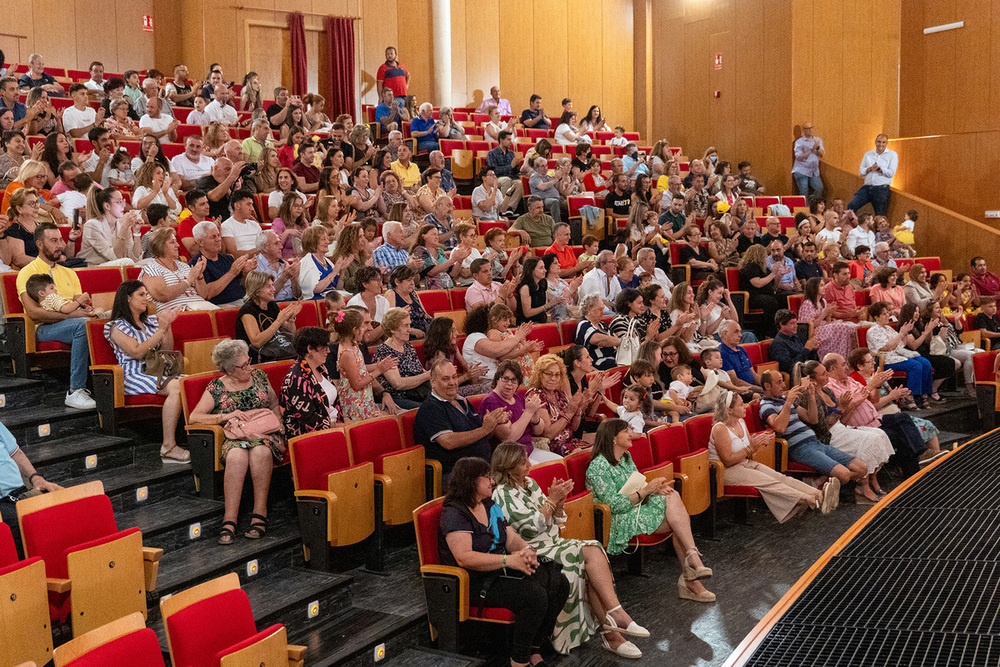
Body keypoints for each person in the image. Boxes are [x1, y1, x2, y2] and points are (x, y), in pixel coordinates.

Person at [492, 442, 646, 658]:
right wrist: (552, 501)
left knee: (592, 553)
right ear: (507, 467)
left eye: (527, 458)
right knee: (590, 552)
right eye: (522, 461)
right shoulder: (502, 493)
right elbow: (530, 526)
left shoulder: (530, 483)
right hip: (532, 551)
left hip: (552, 542)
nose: (529, 463)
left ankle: (613, 627)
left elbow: (554, 520)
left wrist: (560, 504)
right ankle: (614, 624)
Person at [439, 456, 570, 667]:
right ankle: (519, 660)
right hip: (473, 580)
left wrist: (526, 550)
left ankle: (535, 649)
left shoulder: (490, 504)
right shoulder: (455, 513)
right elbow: (464, 557)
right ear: (470, 481)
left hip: (499, 570)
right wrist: (509, 561)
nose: (492, 481)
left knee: (558, 581)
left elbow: (509, 537)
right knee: (534, 596)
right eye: (487, 477)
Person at [586, 418, 715, 600]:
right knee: (677, 520)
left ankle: (692, 566)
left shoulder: (625, 458)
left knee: (671, 495)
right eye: (626, 431)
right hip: (616, 518)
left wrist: (654, 488)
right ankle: (691, 572)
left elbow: (636, 483)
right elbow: (613, 505)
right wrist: (646, 490)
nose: (631, 433)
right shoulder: (597, 467)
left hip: (636, 506)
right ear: (613, 438)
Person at [188, 339, 284, 544]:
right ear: (229, 370)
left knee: (260, 452)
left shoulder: (259, 376)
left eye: (248, 361)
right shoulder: (217, 387)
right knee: (236, 456)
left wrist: (280, 426)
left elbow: (275, 404)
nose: (249, 367)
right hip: (236, 437)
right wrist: (225, 416)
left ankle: (260, 512)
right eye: (243, 366)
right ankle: (229, 519)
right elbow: (194, 417)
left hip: (264, 434)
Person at [104, 280, 188, 463]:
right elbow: (136, 351)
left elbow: (166, 349)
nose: (146, 298)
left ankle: (192, 438)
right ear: (127, 298)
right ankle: (168, 446)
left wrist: (168, 325)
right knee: (177, 388)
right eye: (141, 295)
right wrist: (162, 329)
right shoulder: (117, 326)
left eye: (146, 294)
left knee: (191, 383)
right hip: (132, 374)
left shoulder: (150, 321)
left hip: (155, 370)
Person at [710, 391, 828, 519]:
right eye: (741, 404)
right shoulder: (720, 428)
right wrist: (751, 447)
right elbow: (727, 460)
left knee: (781, 478)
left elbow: (748, 446)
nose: (745, 406)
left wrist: (760, 439)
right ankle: (811, 500)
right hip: (725, 471)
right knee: (770, 482)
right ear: (729, 410)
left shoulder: (741, 422)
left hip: (744, 463)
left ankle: (819, 494)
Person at [15, 223, 94, 408]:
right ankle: (75, 391)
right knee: (83, 325)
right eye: (53, 241)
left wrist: (87, 310)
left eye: (60, 240)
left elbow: (80, 305)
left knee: (103, 323)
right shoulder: (27, 272)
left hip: (70, 322)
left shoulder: (69, 273)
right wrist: (70, 316)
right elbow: (33, 312)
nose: (60, 244)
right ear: (40, 244)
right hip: (43, 327)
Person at [759, 370, 866, 490]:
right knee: (844, 475)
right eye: (779, 382)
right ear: (767, 385)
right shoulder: (766, 406)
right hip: (800, 448)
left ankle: (819, 483)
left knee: (862, 469)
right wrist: (788, 403)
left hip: (816, 443)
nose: (783, 385)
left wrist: (811, 396)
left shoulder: (783, 400)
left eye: (783, 381)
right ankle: (819, 488)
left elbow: (812, 419)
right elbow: (779, 427)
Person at [844, 349, 943, 469]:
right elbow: (872, 405)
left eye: (873, 361)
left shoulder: (876, 376)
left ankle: (934, 461)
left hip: (891, 410)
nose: (874, 363)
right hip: (877, 414)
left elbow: (886, 395)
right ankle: (924, 459)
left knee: (926, 424)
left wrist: (900, 395)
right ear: (860, 366)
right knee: (914, 427)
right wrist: (890, 396)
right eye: (870, 362)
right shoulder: (856, 380)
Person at [415, 360, 507, 476]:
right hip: (456, 474)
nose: (452, 382)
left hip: (481, 466)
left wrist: (493, 423)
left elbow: (480, 434)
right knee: (508, 478)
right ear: (432, 382)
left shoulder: (462, 401)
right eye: (445, 379)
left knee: (516, 463)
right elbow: (448, 442)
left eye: (454, 377)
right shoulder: (431, 407)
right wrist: (485, 429)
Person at [478, 362, 557, 464]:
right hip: (509, 457)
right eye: (505, 378)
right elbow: (509, 438)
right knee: (539, 471)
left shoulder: (518, 398)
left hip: (529, 450)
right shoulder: (492, 401)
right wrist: (528, 412)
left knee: (557, 463)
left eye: (514, 380)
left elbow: (539, 431)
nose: (509, 384)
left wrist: (535, 420)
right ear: (497, 379)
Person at [863, 301, 934, 409]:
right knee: (915, 365)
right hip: (885, 360)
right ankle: (909, 398)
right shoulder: (872, 331)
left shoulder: (889, 329)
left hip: (897, 355)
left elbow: (902, 344)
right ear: (876, 317)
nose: (888, 315)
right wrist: (901, 333)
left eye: (888, 313)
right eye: (884, 314)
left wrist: (905, 333)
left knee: (925, 363)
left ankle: (923, 395)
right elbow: (887, 347)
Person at [332, 308, 396, 421]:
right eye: (362, 326)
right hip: (355, 402)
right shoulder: (347, 353)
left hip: (363, 397)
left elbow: (359, 368)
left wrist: (379, 365)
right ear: (355, 330)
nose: (366, 329)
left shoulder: (354, 345)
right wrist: (379, 371)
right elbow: (356, 384)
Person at [278, 327, 341, 439]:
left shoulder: (321, 368)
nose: (328, 351)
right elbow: (309, 422)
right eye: (324, 347)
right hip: (312, 436)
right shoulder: (296, 379)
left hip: (334, 427)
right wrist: (339, 427)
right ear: (310, 349)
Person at [526, 354, 590, 456]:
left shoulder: (560, 394)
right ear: (539, 374)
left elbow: (574, 428)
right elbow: (547, 434)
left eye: (557, 374)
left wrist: (578, 409)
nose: (553, 378)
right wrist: (569, 413)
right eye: (549, 374)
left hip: (570, 442)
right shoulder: (536, 395)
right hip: (551, 447)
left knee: (598, 452)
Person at [140, 227, 216, 311]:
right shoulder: (151, 269)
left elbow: (204, 295)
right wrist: (188, 281)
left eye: (176, 241)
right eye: (172, 242)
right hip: (177, 312)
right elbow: (163, 295)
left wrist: (199, 276)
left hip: (199, 307)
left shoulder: (184, 266)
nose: (178, 245)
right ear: (160, 246)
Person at [370, 307, 431, 410]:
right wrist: (428, 375)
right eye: (405, 325)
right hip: (400, 397)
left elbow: (420, 371)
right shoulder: (384, 351)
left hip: (419, 392)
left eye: (409, 325)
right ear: (393, 329)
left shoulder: (407, 346)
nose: (409, 329)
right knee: (429, 409)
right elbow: (398, 384)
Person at [236, 271, 302, 364]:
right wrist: (279, 321)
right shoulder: (247, 310)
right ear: (256, 290)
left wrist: (291, 319)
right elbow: (257, 342)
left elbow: (291, 333)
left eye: (272, 285)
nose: (273, 289)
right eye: (268, 286)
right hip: (256, 356)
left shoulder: (272, 305)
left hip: (275, 349)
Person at [189, 220, 250, 307]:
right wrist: (231, 273)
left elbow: (241, 284)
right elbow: (207, 294)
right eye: (213, 237)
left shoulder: (228, 258)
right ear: (200, 242)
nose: (218, 239)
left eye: (218, 235)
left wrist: (246, 271)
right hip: (222, 306)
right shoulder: (196, 264)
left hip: (243, 300)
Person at [798, 276, 858, 361]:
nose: (824, 288)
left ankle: (848, 357)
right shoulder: (807, 303)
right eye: (821, 285)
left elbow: (827, 321)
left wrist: (829, 314)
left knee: (851, 326)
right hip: (815, 332)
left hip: (825, 327)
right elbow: (808, 326)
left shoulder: (823, 302)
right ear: (814, 287)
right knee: (844, 328)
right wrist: (825, 313)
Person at [738, 244, 782, 338]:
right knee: (771, 302)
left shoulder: (763, 268)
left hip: (766, 294)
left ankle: (782, 329)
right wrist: (773, 274)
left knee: (783, 297)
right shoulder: (750, 267)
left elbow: (773, 287)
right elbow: (757, 283)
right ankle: (768, 332)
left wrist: (778, 276)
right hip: (753, 296)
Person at [848, 134, 897, 216]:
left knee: (880, 216)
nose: (881, 144)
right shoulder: (868, 154)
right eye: (879, 142)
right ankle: (853, 227)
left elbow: (891, 173)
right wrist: (870, 169)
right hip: (867, 188)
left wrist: (879, 169)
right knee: (851, 206)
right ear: (875, 142)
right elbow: (861, 171)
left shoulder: (892, 155)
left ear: (886, 143)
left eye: (883, 142)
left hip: (881, 189)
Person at [575, 294, 620, 370]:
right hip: (596, 364)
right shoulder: (583, 324)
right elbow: (599, 340)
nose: (603, 312)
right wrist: (620, 341)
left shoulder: (603, 326)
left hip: (614, 360)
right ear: (589, 309)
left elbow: (614, 339)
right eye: (600, 309)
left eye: (603, 309)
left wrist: (617, 341)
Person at [347, 265, 391, 343]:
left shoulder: (383, 301)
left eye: (381, 280)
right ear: (365, 284)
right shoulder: (354, 303)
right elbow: (362, 337)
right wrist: (386, 323)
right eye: (377, 280)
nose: (381, 284)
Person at [385, 265, 431, 336]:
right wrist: (411, 330)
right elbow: (390, 323)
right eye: (409, 280)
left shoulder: (413, 293)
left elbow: (426, 315)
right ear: (397, 281)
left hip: (423, 332)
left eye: (412, 279)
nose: (412, 283)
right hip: (405, 335)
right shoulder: (391, 294)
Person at [769, 310, 819, 375]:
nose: (796, 326)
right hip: (797, 374)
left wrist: (813, 349)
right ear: (781, 325)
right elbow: (790, 366)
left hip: (807, 368)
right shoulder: (778, 343)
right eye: (792, 323)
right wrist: (807, 350)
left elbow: (808, 356)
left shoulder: (795, 337)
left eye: (796, 323)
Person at [580, 250, 621, 315]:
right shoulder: (591, 278)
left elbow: (620, 299)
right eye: (613, 262)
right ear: (603, 264)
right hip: (591, 316)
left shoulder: (613, 278)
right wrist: (612, 307)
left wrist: (609, 303)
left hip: (607, 313)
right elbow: (596, 305)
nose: (616, 265)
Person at [792, 121, 824, 200]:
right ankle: (806, 210)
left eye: (811, 128)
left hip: (814, 170)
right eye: (807, 128)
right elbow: (799, 157)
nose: (810, 130)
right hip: (802, 170)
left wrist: (818, 147)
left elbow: (822, 154)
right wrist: (811, 150)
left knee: (819, 188)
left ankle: (812, 205)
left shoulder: (817, 140)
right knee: (804, 192)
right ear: (803, 130)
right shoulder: (799, 142)